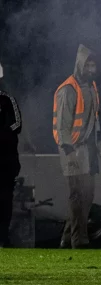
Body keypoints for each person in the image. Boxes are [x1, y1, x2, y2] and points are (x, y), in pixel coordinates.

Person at [53, 44, 101, 249]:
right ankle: (79, 241)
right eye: (88, 65)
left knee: (87, 195)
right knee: (77, 196)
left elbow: (94, 118)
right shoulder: (68, 90)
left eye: (94, 65)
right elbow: (62, 126)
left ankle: (66, 239)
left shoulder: (91, 87)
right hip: (71, 148)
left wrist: (97, 141)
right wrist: (69, 152)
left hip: (88, 148)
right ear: (80, 66)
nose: (92, 69)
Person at [0, 61, 22, 248]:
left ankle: (3, 238)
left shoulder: (7, 100)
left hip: (6, 162)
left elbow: (17, 125)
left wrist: (2, 134)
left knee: (5, 200)